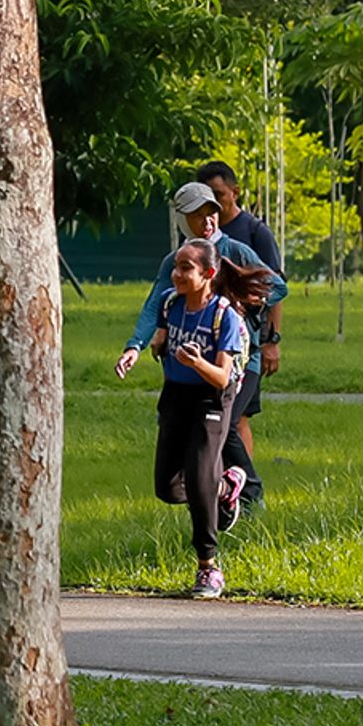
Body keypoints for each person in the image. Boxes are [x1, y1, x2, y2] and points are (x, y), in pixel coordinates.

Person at [116, 181, 288, 512]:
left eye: (212, 213)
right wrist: (135, 346)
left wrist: (240, 302)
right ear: (183, 220)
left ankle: (250, 495)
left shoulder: (236, 251)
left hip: (241, 359)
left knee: (229, 425)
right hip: (197, 365)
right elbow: (155, 304)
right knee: (202, 436)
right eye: (198, 215)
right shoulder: (177, 262)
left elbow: (278, 287)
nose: (208, 221)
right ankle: (224, 495)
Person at [140, 238, 276, 598]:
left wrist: (196, 362)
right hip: (175, 394)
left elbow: (222, 376)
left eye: (186, 268)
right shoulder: (171, 303)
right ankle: (224, 488)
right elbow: (163, 333)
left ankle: (209, 568)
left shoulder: (224, 316)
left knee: (199, 478)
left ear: (208, 274)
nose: (177, 273)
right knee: (167, 488)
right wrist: (159, 342)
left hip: (211, 396)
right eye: (176, 266)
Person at [194, 161, 286, 508]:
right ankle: (228, 486)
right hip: (210, 347)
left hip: (248, 345)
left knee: (234, 420)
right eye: (205, 199)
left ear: (234, 193)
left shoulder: (254, 234)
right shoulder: (199, 238)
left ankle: (245, 489)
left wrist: (271, 340)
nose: (211, 207)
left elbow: (274, 288)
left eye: (218, 196)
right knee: (224, 420)